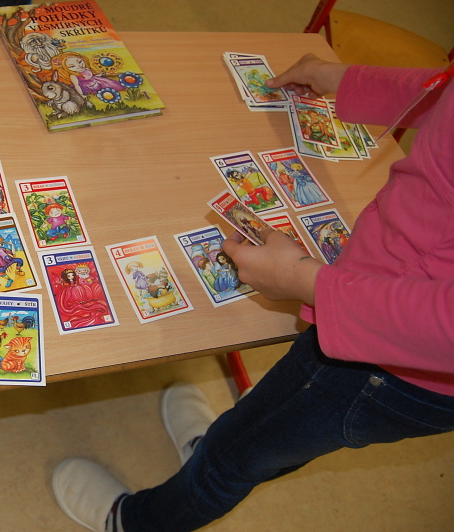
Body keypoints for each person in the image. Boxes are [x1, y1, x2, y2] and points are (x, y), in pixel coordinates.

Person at [51, 53, 454, 531]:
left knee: (238, 458)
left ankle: (135, 521)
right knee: (267, 428)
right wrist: (346, 80)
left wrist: (304, 281)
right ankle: (219, 445)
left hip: (394, 363)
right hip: (376, 299)